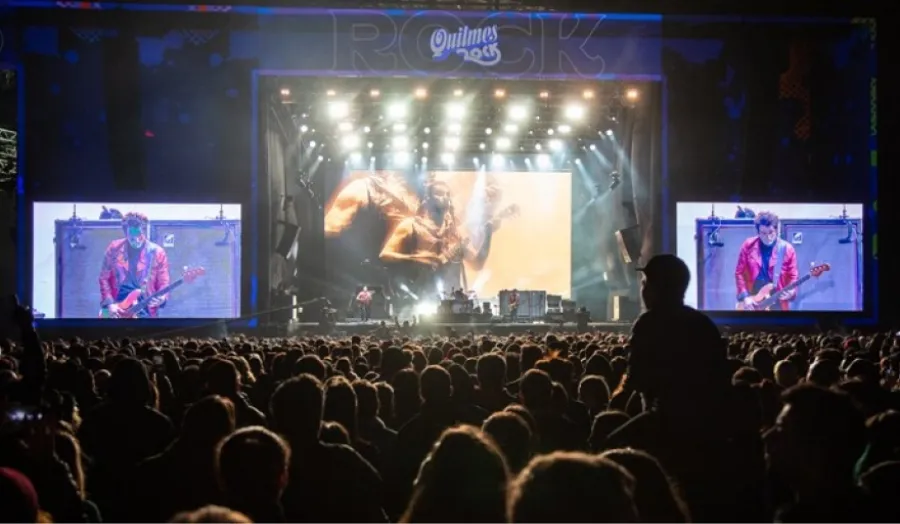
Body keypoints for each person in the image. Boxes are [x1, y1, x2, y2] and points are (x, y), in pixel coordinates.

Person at [379, 179, 494, 297]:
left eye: (448, 195)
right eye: (439, 194)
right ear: (427, 199)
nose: (445, 198)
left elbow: (477, 264)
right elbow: (385, 255)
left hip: (452, 300)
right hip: (420, 296)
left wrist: (488, 235)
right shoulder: (411, 225)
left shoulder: (454, 233)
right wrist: (416, 259)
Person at [99, 212, 170, 318]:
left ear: (144, 232)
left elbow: (164, 282)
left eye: (139, 236)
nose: (136, 240)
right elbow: (104, 278)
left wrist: (163, 298)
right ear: (126, 234)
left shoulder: (157, 252)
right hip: (116, 306)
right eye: (132, 237)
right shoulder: (114, 248)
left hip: (144, 309)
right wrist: (109, 304)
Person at [734, 211, 799, 311]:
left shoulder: (788, 249)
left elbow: (793, 276)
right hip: (753, 298)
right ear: (758, 232)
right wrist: (745, 297)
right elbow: (739, 273)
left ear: (776, 230)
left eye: (771, 232)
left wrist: (792, 292)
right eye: (763, 233)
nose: (768, 237)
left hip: (777, 300)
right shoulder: (748, 245)